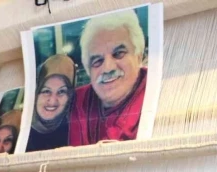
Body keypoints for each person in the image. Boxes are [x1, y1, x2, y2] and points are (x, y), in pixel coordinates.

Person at [69, 10, 148, 146]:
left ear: (139, 56)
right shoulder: (78, 102)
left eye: (119, 53)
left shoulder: (158, 93)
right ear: (88, 71)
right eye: (97, 61)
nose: (108, 68)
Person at [26, 54, 76, 152]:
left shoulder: (74, 131)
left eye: (61, 91)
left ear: (69, 96)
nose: (52, 101)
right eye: (46, 91)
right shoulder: (20, 129)